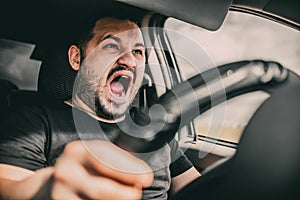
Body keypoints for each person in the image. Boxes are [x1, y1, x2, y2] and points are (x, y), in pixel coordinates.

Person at [0, 17, 201, 199]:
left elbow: (200, 188)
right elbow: (11, 185)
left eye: (138, 52)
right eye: (112, 46)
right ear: (76, 58)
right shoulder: (31, 123)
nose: (130, 61)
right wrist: (47, 190)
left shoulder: (153, 129)